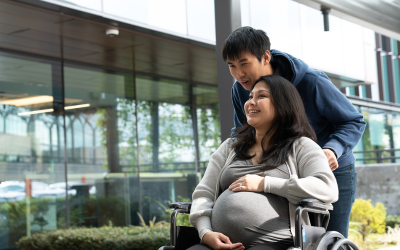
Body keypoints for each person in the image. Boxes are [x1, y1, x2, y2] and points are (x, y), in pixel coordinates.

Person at [223, 26, 366, 238]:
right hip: (281, 171)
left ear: (265, 57)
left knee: (329, 237)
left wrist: (333, 149)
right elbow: (243, 132)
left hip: (331, 170)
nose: (239, 74)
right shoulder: (239, 89)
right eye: (232, 66)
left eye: (244, 64)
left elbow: (353, 121)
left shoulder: (311, 81)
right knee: (296, 238)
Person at [189, 75, 338, 250]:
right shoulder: (230, 147)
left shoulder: (302, 146)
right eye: (250, 96)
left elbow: (327, 188)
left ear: (283, 104)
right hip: (218, 243)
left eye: (261, 96)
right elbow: (204, 193)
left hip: (274, 243)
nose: (251, 102)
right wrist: (205, 232)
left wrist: (265, 183)